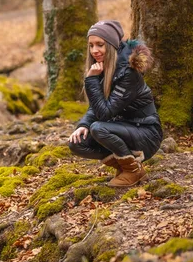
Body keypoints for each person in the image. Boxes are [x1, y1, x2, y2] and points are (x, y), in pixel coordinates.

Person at [68, 20, 163, 187]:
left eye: (100, 45)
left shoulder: (128, 73)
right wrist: (83, 124)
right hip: (121, 129)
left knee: (98, 128)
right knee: (77, 143)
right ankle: (124, 166)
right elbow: (97, 107)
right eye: (91, 45)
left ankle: (133, 171)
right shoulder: (104, 67)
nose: (94, 50)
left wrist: (91, 81)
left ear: (111, 45)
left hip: (146, 133)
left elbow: (105, 113)